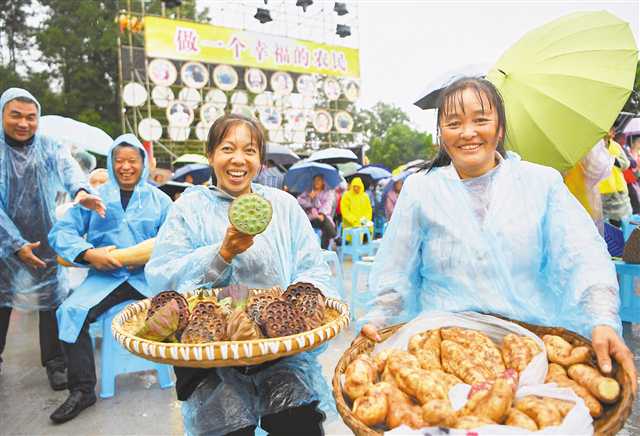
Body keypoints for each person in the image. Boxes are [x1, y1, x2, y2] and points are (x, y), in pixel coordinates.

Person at [360, 77, 637, 395]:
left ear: (500, 129)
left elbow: (582, 256)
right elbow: (395, 272)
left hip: (526, 348)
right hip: (440, 351)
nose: (467, 132)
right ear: (441, 134)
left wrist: (600, 318)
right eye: (454, 122)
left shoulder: (540, 184)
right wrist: (379, 319)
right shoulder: (421, 190)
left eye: (481, 120)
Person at [145, 114, 337, 436]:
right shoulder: (187, 209)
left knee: (299, 424)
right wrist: (221, 254)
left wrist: (301, 310)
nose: (238, 159)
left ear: (261, 159)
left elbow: (312, 268)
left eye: (249, 150)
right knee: (227, 425)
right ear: (211, 155)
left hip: (280, 347)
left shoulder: (284, 207)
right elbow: (166, 280)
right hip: (208, 352)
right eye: (227, 148)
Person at [47, 134, 172, 423]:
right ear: (111, 163)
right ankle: (82, 389)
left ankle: (186, 376)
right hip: (105, 278)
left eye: (132, 161)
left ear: (143, 163)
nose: (125, 167)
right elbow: (60, 233)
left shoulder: (161, 201)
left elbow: (175, 241)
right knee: (70, 311)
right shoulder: (95, 197)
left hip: (147, 279)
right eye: (119, 161)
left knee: (181, 307)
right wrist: (89, 254)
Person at [0, 88, 104, 387]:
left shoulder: (48, 145)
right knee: (1, 300)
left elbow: (68, 168)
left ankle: (55, 363)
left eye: (31, 117)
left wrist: (82, 191)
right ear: (3, 115)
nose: (24, 123)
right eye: (15, 115)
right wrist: (15, 244)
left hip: (44, 237)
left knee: (51, 301)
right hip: (3, 241)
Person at [598, 127, 632, 226]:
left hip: (619, 190)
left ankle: (625, 240)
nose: (614, 130)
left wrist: (612, 159)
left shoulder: (615, 145)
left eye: (614, 128)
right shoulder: (595, 147)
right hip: (602, 192)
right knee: (606, 224)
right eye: (611, 128)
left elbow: (626, 164)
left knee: (624, 222)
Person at [297, 174, 337, 249]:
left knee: (324, 224)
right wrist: (310, 199)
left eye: (319, 180)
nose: (316, 182)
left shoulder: (328, 193)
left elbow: (327, 206)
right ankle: (335, 237)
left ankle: (324, 248)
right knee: (324, 223)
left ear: (323, 182)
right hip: (310, 218)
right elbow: (299, 200)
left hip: (323, 217)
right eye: (315, 180)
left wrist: (320, 213)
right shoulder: (308, 191)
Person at [340, 176, 373, 242]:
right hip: (349, 224)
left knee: (369, 228)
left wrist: (365, 221)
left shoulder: (365, 196)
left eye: (358, 187)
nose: (356, 188)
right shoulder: (346, 195)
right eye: (354, 186)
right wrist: (353, 221)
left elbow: (369, 210)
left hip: (363, 223)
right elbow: (345, 211)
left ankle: (365, 244)